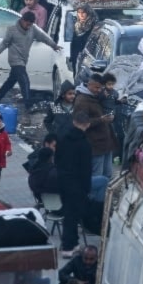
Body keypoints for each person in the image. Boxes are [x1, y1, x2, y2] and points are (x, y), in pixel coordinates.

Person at [0, 11, 62, 110]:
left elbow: (44, 37)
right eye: (27, 24)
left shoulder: (33, 29)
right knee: (24, 81)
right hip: (14, 60)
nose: (28, 26)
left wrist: (54, 46)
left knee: (11, 81)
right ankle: (28, 105)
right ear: (22, 20)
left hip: (23, 60)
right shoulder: (12, 30)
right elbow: (4, 44)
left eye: (30, 24)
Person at [57, 110, 93, 258]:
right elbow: (86, 169)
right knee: (72, 216)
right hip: (78, 184)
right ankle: (67, 246)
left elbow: (58, 159)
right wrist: (86, 187)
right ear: (88, 125)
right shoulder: (84, 144)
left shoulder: (63, 138)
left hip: (63, 181)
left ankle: (74, 242)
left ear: (74, 122)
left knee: (69, 212)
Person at [73, 74, 116, 179]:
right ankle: (95, 195)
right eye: (96, 87)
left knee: (107, 175)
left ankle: (104, 194)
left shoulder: (96, 96)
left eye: (101, 87)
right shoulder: (82, 100)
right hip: (95, 146)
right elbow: (80, 123)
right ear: (89, 85)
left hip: (105, 143)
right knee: (97, 176)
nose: (99, 90)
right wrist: (101, 119)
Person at [70, 4, 98, 72]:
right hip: (76, 57)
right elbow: (73, 42)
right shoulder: (77, 25)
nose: (81, 15)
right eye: (79, 12)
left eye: (83, 12)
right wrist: (72, 56)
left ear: (88, 13)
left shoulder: (94, 25)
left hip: (88, 58)